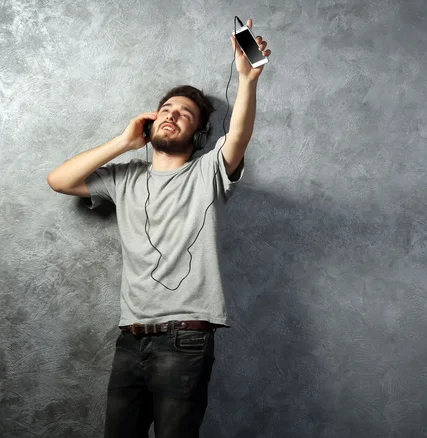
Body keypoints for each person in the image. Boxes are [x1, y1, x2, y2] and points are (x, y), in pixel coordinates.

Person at [47, 18, 271, 438]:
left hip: (185, 338)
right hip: (129, 339)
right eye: (165, 110)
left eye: (184, 114)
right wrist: (123, 142)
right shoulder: (124, 176)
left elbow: (237, 136)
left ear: (199, 132)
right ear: (151, 123)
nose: (172, 116)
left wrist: (247, 79)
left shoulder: (208, 172)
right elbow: (59, 180)